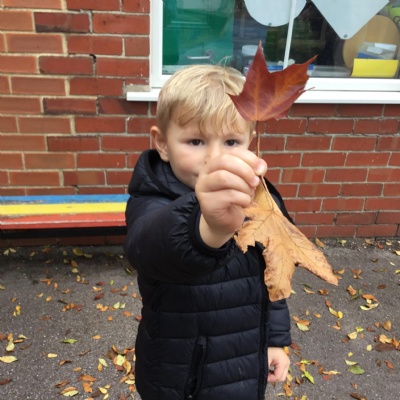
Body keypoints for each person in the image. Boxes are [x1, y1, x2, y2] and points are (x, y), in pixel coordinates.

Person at [125, 64, 292, 400]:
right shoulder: (152, 198)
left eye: (231, 141)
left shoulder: (259, 199)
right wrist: (209, 228)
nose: (215, 157)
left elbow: (273, 276)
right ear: (163, 143)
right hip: (181, 377)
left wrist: (275, 340)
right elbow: (147, 248)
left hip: (246, 365)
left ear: (250, 141)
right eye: (196, 141)